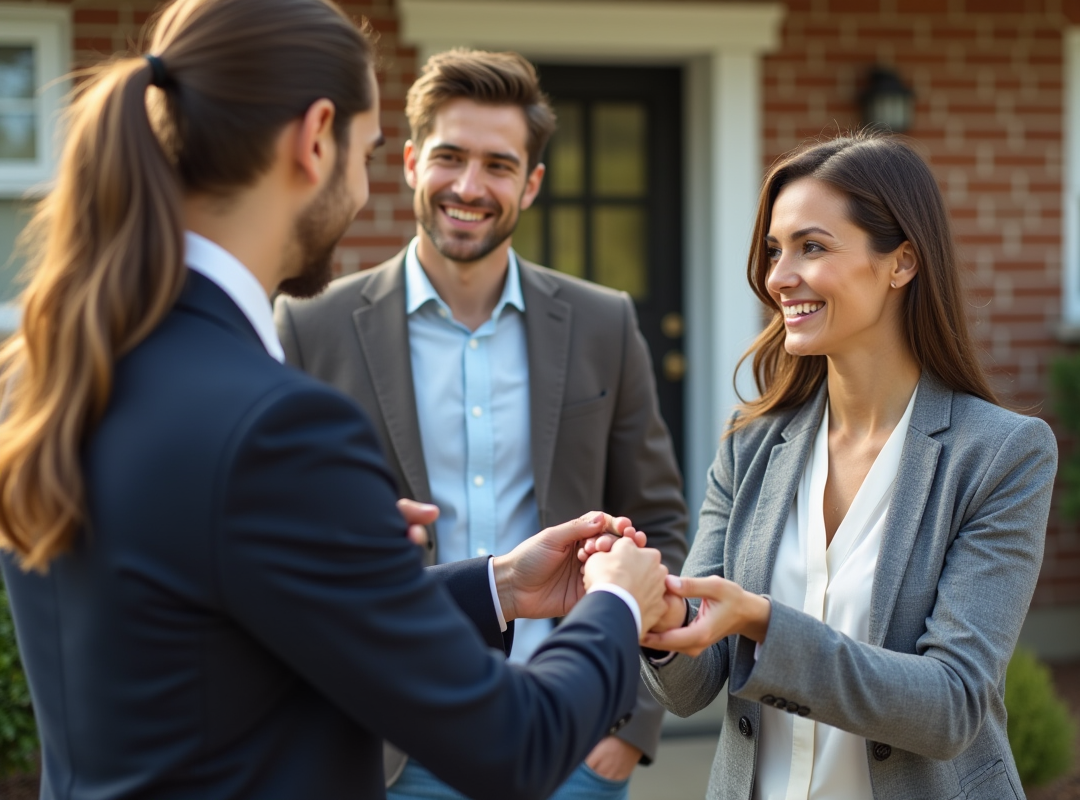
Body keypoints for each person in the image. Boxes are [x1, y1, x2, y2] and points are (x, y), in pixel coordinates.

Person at [0, 2, 672, 799]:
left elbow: (217, 633)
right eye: (368, 151)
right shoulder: (278, 424)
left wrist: (492, 584)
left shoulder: (58, 369)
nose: (361, 186)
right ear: (315, 138)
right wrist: (616, 604)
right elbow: (513, 742)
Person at [274, 48, 689, 799]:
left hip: (573, 736)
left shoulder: (602, 321)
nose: (469, 187)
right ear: (408, 162)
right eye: (449, 157)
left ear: (530, 184)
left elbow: (656, 519)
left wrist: (630, 726)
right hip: (385, 743)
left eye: (498, 165)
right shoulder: (310, 326)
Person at [635, 133, 1058, 800]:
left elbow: (950, 707)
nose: (777, 276)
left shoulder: (1001, 455)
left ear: (902, 262)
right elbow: (693, 686)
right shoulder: (749, 447)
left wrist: (762, 622)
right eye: (775, 250)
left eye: (812, 246)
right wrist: (659, 619)